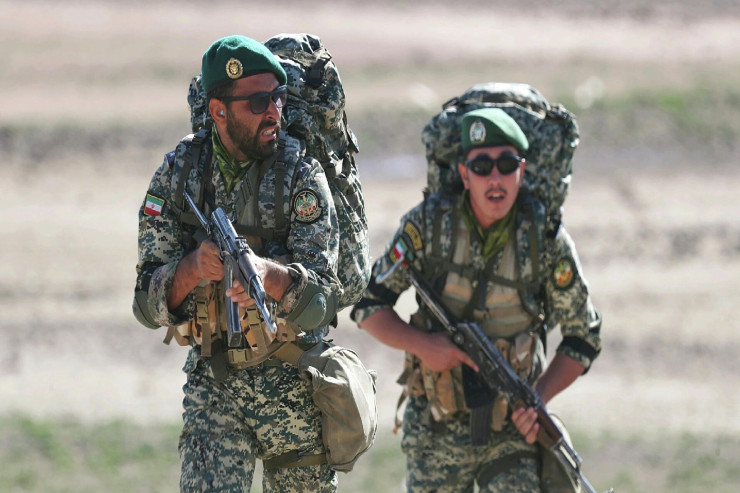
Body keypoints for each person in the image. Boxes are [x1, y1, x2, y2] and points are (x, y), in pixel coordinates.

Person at [351, 108, 602, 492]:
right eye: (482, 166)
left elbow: (583, 337)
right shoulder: (428, 227)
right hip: (435, 427)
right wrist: (426, 346)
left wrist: (538, 400)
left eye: (507, 164)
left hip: (512, 433)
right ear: (464, 174)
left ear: (522, 171)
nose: (495, 178)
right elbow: (368, 306)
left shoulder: (543, 239)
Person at [134, 35, 343, 492]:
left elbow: (324, 302)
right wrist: (191, 269)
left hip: (294, 392)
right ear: (219, 111)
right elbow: (145, 305)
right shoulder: (181, 173)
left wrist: (270, 277)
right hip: (214, 387)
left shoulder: (301, 175)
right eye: (259, 102)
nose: (274, 112)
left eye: (279, 97)